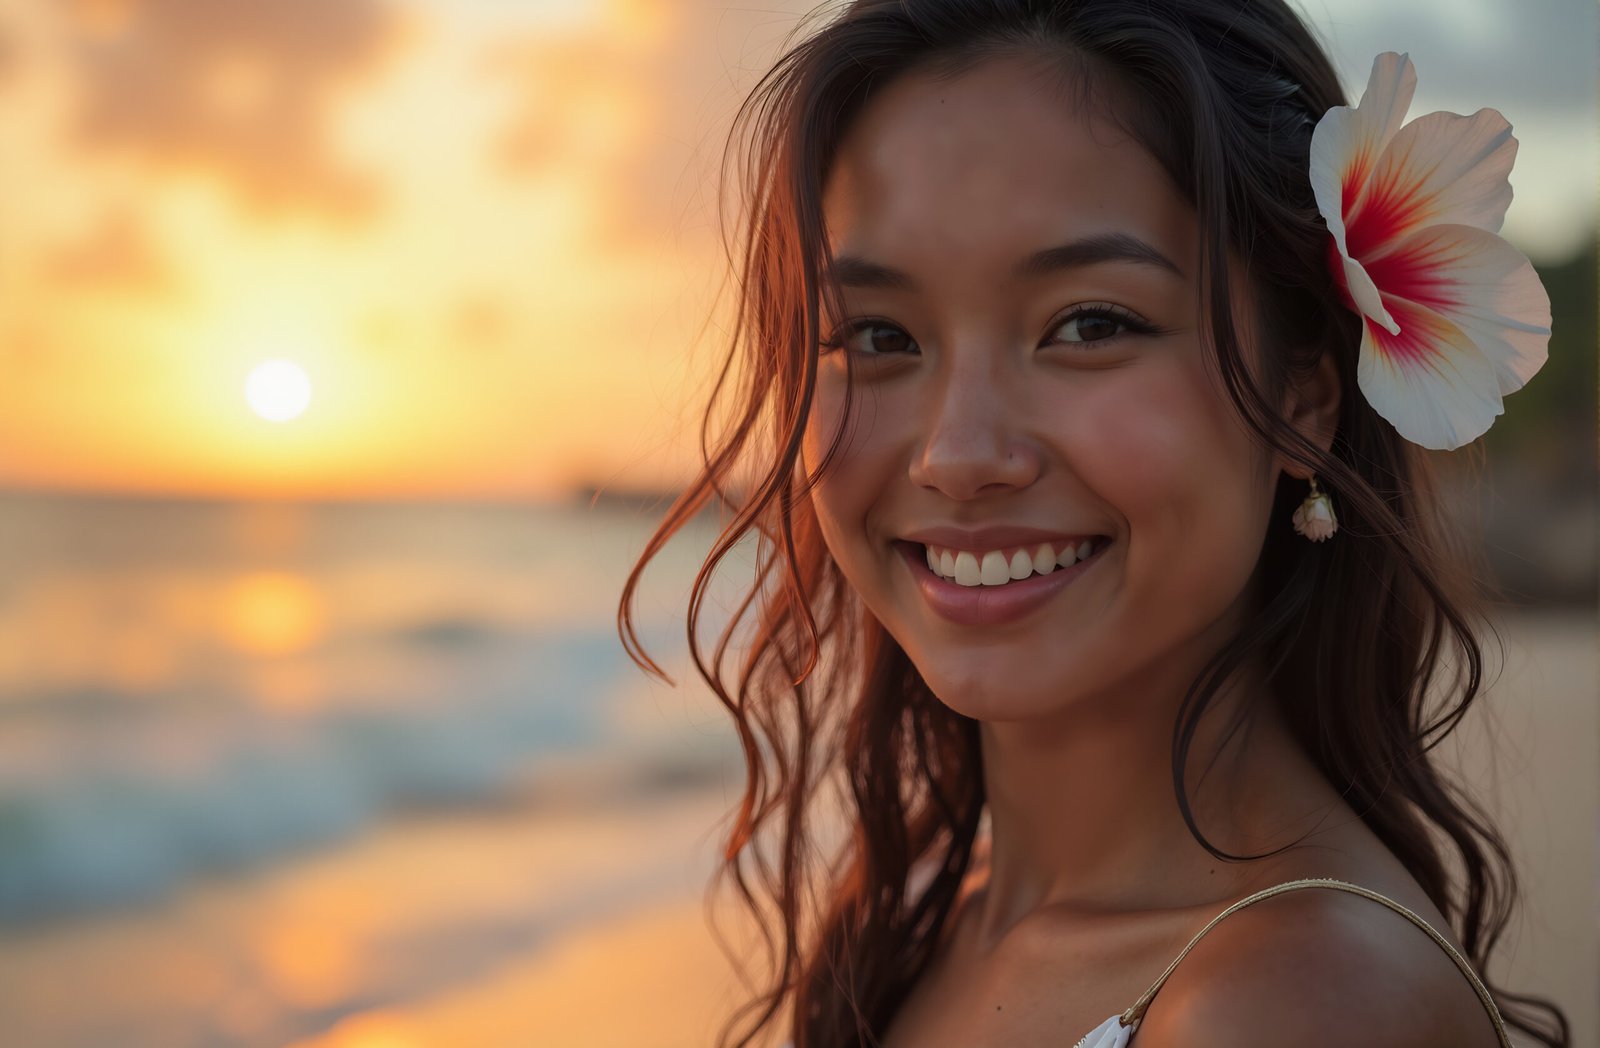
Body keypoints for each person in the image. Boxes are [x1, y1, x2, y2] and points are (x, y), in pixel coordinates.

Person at [618, 1, 1571, 1045]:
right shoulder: (938, 908)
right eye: (878, 334)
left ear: (1305, 389)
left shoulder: (1289, 1004)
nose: (960, 453)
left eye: (1090, 323)